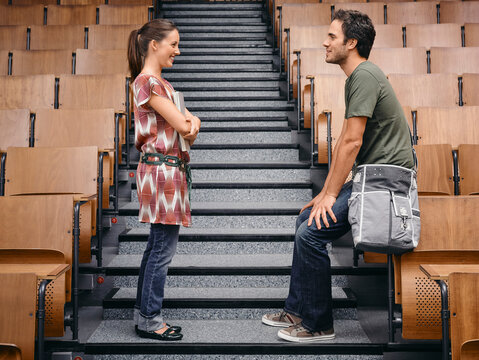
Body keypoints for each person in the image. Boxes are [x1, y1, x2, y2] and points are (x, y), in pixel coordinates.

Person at [262, 9, 414, 342]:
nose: (325, 42)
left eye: (332, 36)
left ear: (352, 42)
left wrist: (331, 194)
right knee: (305, 220)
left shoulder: (364, 75)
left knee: (311, 234)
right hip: (369, 177)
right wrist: (326, 192)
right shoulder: (359, 77)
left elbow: (352, 141)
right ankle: (297, 309)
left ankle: (319, 325)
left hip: (385, 182)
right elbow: (347, 138)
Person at [127, 19, 201, 341]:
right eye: (173, 44)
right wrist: (192, 121)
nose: (178, 50)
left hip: (170, 169)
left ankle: (145, 315)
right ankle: (150, 319)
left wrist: (191, 122)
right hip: (161, 171)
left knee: (157, 246)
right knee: (162, 250)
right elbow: (186, 127)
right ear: (154, 44)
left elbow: (188, 132)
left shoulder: (162, 83)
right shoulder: (148, 83)